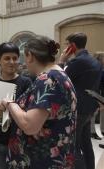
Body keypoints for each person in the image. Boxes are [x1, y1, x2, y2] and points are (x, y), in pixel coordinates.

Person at [0, 36, 77, 168]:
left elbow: (29, 125)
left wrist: (10, 104)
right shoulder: (60, 74)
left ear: (30, 56)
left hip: (40, 161)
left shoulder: (47, 80)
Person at [59, 32, 101, 169]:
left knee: (74, 147)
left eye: (67, 45)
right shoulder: (94, 60)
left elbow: (59, 80)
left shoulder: (77, 62)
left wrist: (61, 61)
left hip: (79, 109)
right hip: (90, 107)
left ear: (72, 46)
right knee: (86, 144)